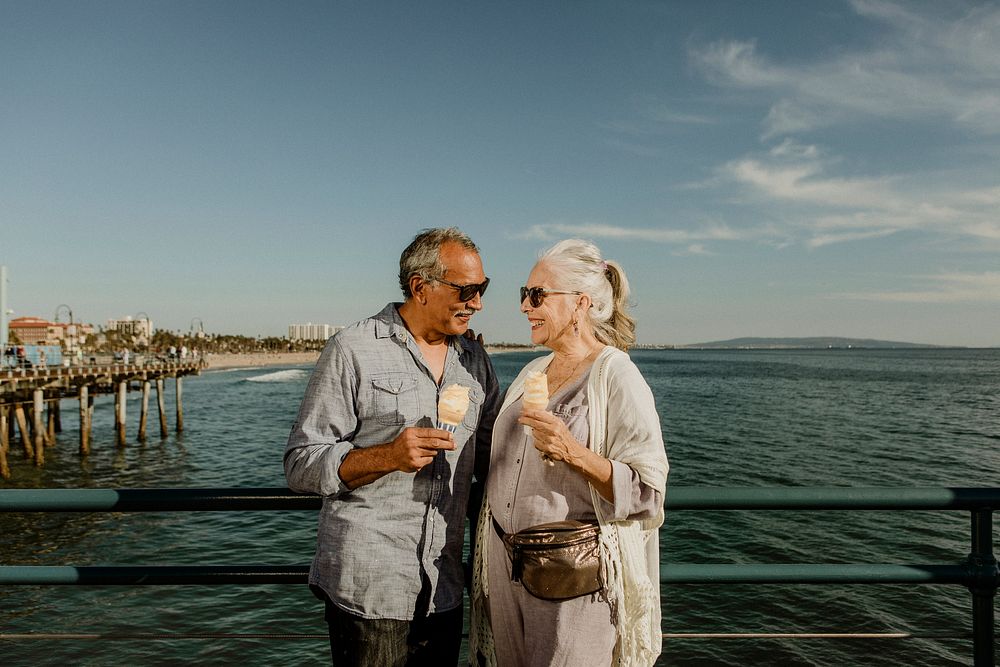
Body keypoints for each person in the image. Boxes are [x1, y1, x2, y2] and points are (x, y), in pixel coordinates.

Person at [285, 227, 500, 666]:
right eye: (467, 290)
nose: (477, 302)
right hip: (371, 587)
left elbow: (498, 454)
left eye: (482, 288)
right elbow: (300, 463)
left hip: (444, 587)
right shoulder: (353, 349)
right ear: (421, 287)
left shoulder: (474, 360)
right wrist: (388, 456)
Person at [470, 239, 669, 667]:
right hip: (505, 566)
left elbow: (649, 492)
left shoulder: (616, 375)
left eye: (537, 295)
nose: (525, 306)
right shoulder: (532, 370)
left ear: (581, 304)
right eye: (524, 295)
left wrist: (573, 452)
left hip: (569, 576)